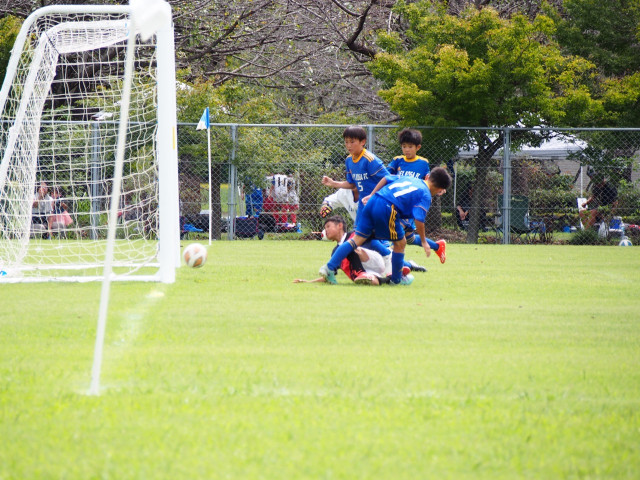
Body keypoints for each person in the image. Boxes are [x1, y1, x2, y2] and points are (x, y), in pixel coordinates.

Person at [319, 167, 452, 286]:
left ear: (429, 177)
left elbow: (386, 178)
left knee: (356, 240)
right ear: (440, 189)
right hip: (388, 207)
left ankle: (328, 268)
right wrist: (424, 241)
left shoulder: (411, 179)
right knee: (400, 243)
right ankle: (396, 280)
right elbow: (419, 219)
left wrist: (371, 195)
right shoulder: (426, 194)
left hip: (374, 200)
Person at [387, 128, 446, 264]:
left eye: (410, 147)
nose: (406, 150)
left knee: (393, 229)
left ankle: (391, 260)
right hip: (398, 201)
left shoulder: (423, 163)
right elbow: (386, 175)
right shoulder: (397, 160)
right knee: (410, 239)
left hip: (410, 205)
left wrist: (439, 188)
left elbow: (429, 180)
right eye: (404, 146)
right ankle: (438, 246)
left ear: (417, 147)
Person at [294, 215, 401, 285]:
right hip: (367, 272)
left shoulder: (355, 235)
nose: (325, 230)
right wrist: (308, 282)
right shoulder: (335, 252)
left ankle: (399, 268)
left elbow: (379, 245)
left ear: (340, 226)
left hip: (376, 261)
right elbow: (329, 275)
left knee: (351, 247)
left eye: (328, 226)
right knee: (373, 282)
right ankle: (385, 279)